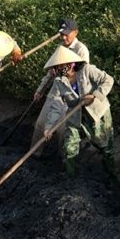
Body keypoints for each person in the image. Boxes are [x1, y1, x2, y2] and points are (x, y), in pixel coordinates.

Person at [42, 46, 116, 185]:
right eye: (55, 67)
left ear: (70, 63)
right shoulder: (59, 81)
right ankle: (70, 181)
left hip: (97, 114)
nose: (57, 69)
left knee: (105, 148)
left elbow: (108, 80)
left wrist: (94, 95)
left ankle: (112, 180)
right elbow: (56, 103)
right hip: (75, 115)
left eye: (59, 66)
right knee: (69, 148)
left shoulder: (87, 70)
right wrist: (49, 127)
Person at [31, 18, 90, 157]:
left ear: (75, 32)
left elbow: (83, 72)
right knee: (40, 124)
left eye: (66, 34)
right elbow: (49, 72)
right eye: (61, 34)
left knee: (62, 130)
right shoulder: (60, 48)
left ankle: (63, 157)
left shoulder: (81, 50)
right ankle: (34, 154)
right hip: (55, 90)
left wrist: (64, 70)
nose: (64, 37)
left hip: (71, 93)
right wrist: (40, 90)